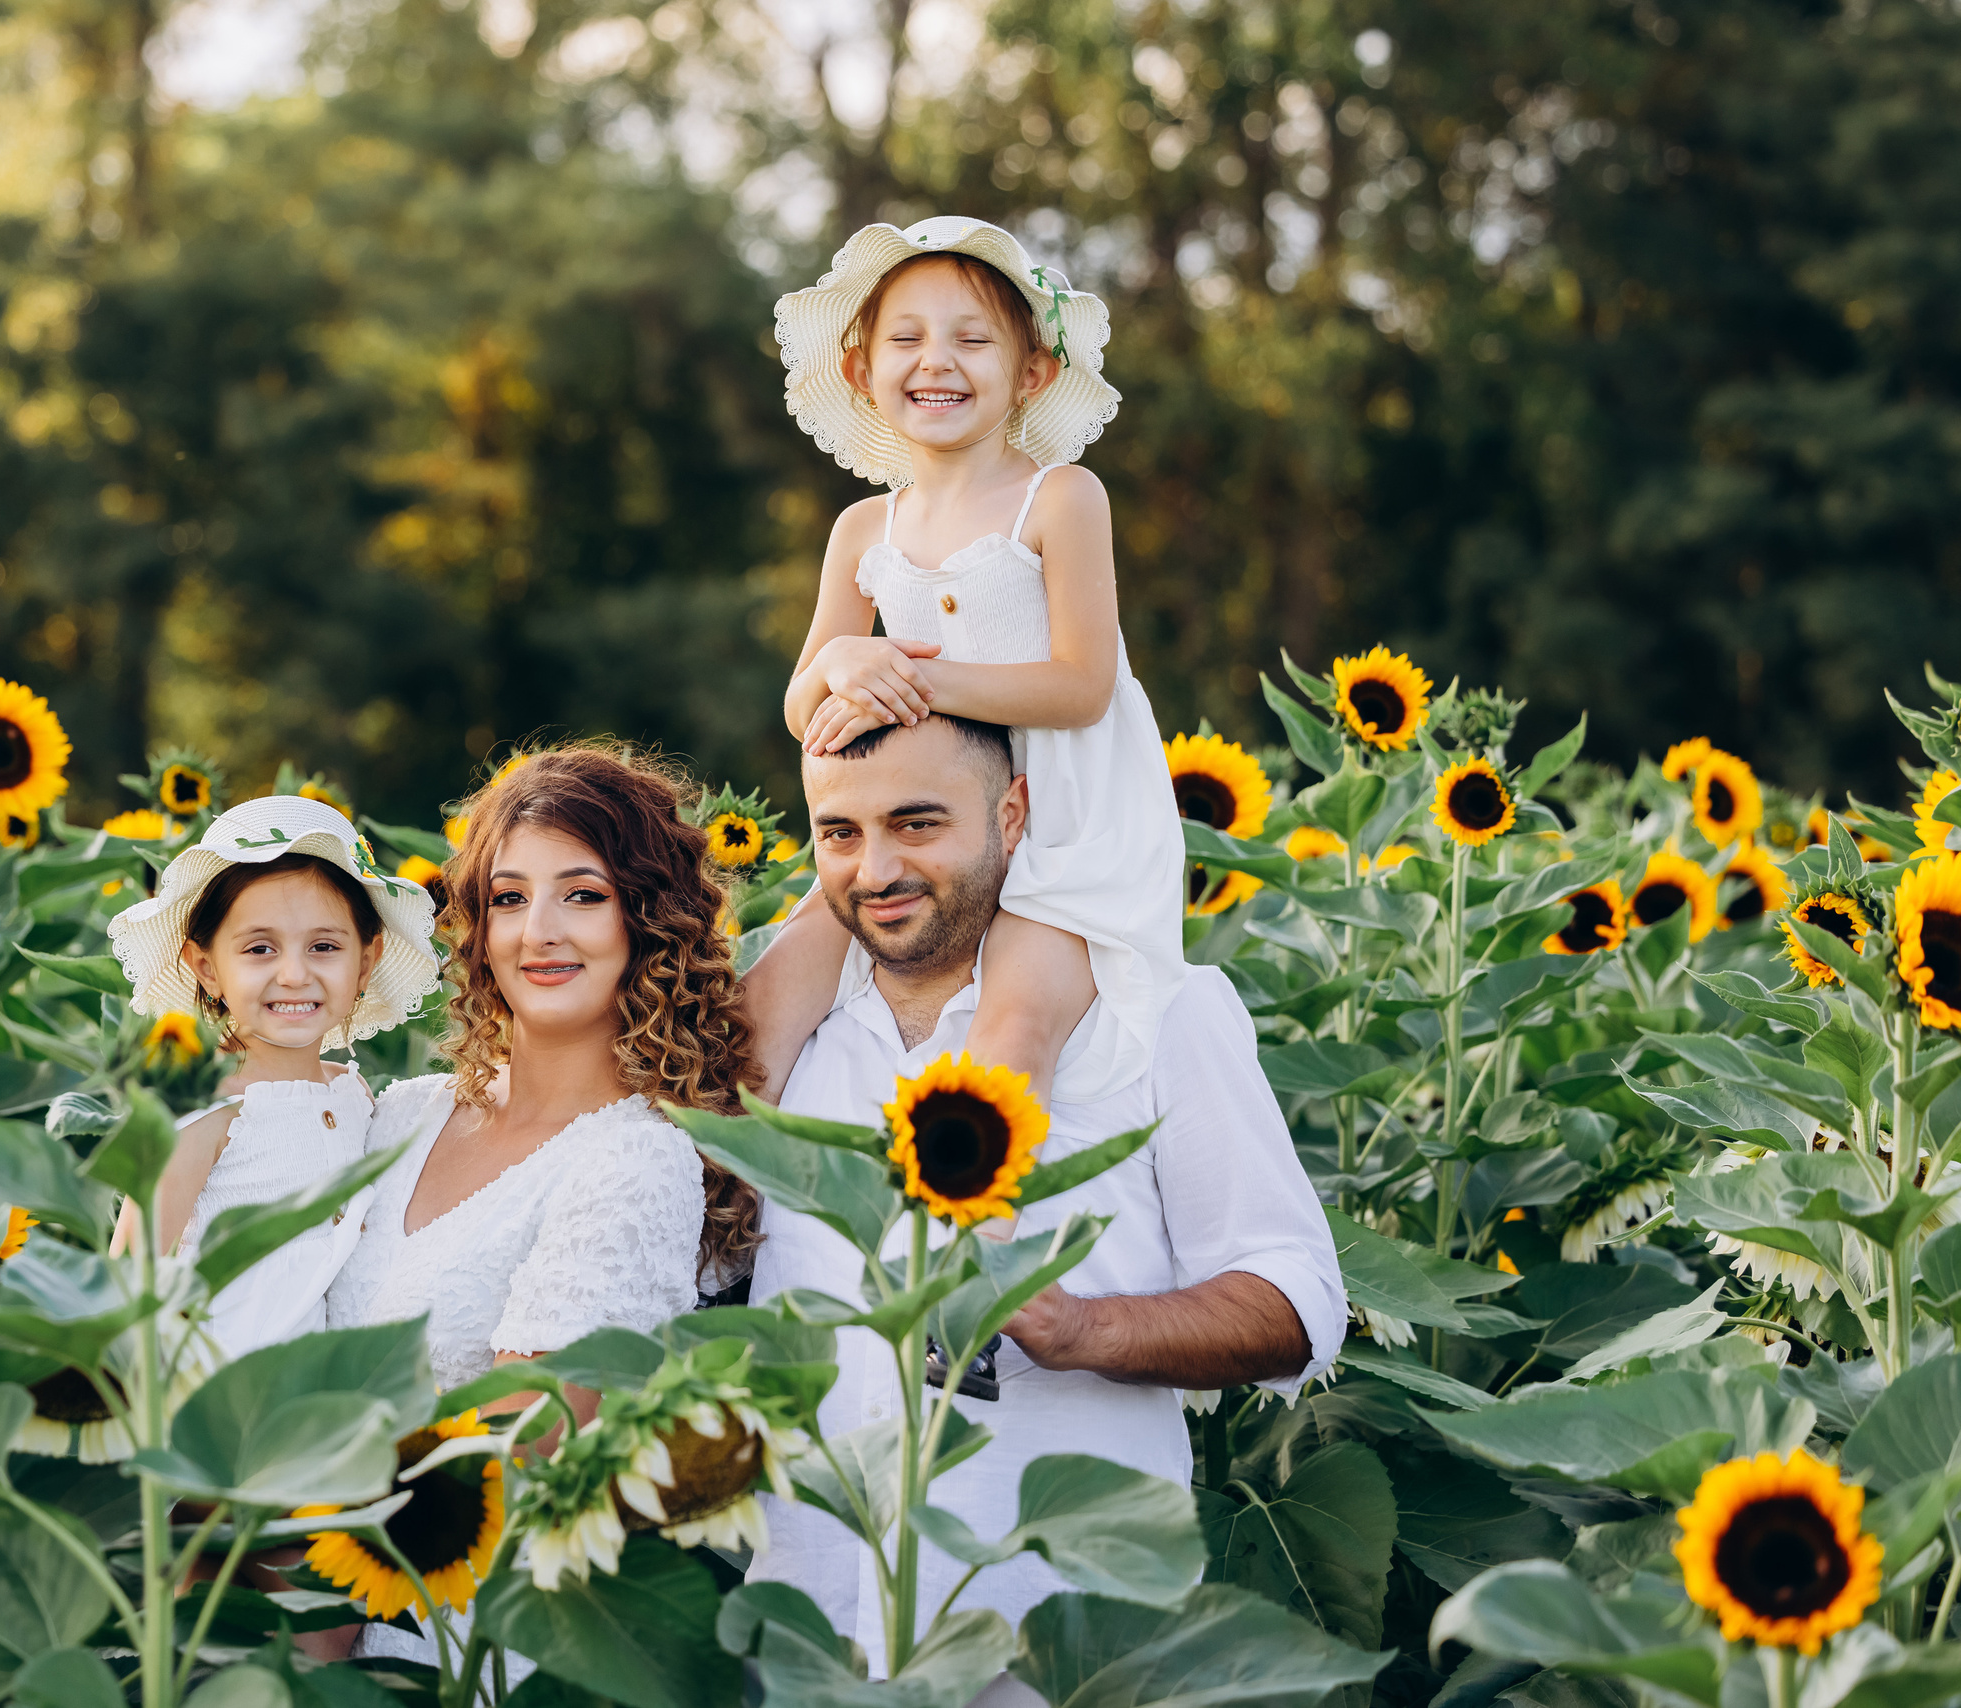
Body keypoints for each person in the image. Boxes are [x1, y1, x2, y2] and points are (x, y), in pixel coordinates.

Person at [744, 713, 1345, 1681]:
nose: (876, 868)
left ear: (1012, 813)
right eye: (839, 833)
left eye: (917, 823)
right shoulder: (784, 1033)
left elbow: (1294, 1299)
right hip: (809, 1642)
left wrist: (1080, 1327)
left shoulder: (1153, 1010)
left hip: (1053, 1650)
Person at [323, 745, 762, 1658]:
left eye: (584, 894)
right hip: (313, 1621)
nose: (540, 932)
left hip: (478, 1647)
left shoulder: (638, 1159)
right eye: (510, 899)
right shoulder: (395, 1120)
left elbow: (527, 1451)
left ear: (650, 919)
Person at [754, 216, 1184, 1111]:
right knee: (764, 1005)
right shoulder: (864, 528)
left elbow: (1082, 683)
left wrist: (918, 684)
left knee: (1010, 1032)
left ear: (1032, 372)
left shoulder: (1059, 497)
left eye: (972, 339)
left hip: (1067, 823)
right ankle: (714, 1226)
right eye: (905, 339)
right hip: (917, 820)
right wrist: (841, 658)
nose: (936, 361)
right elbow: (802, 705)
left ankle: (963, 1235)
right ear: (861, 371)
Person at [103, 795, 442, 1355]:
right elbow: (125, 1287)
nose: (293, 974)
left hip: (317, 1408)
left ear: (366, 961)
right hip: (211, 1399)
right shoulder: (204, 1112)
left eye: (324, 946)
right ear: (207, 967)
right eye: (260, 948)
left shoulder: (352, 1092)